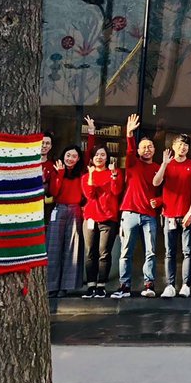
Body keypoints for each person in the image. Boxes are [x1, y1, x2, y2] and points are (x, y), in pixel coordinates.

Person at [113, 114, 160, 299]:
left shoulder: (158, 167)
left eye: (149, 147)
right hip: (130, 213)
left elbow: (167, 191)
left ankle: (149, 284)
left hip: (149, 214)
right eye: (143, 147)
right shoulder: (132, 163)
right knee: (126, 252)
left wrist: (160, 201)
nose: (146, 150)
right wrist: (129, 133)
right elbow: (130, 149)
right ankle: (124, 286)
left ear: (154, 149)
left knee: (151, 251)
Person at [153, 132, 191, 298]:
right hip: (169, 215)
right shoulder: (168, 164)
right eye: (180, 144)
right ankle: (170, 285)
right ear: (173, 147)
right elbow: (156, 182)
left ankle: (186, 285)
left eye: (186, 145)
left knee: (187, 251)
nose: (183, 147)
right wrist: (164, 164)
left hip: (186, 214)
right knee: (170, 252)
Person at [80, 119, 122, 298]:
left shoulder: (115, 173)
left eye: (103, 155)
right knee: (91, 252)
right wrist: (90, 175)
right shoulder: (86, 175)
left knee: (104, 253)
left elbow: (116, 191)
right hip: (90, 218)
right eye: (97, 155)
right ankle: (90, 285)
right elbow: (89, 195)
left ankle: (101, 285)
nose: (99, 157)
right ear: (93, 157)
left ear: (108, 157)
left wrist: (113, 176)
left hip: (109, 218)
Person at [45, 144, 85, 297]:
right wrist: (60, 174)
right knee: (53, 247)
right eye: (68, 155)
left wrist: (91, 132)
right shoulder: (57, 170)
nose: (70, 159)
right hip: (59, 208)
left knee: (71, 247)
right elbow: (54, 191)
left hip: (75, 210)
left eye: (74, 156)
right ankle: (52, 286)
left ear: (78, 159)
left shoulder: (81, 173)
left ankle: (65, 286)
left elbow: (89, 154)